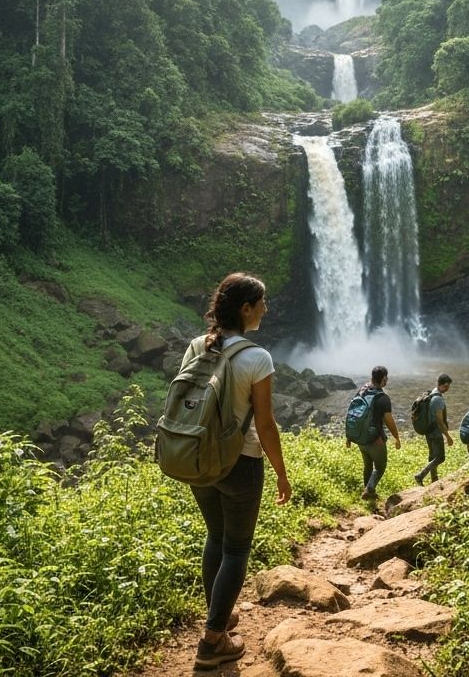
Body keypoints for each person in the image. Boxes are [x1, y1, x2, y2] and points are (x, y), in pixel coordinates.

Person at [184, 272, 292, 670]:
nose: (266, 309)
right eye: (262, 302)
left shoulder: (197, 345)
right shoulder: (257, 357)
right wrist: (281, 472)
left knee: (215, 537)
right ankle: (213, 640)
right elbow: (265, 424)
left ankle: (221, 614)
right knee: (236, 548)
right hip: (241, 463)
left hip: (200, 460)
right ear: (246, 309)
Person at [347, 364, 401, 501]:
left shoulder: (362, 390)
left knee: (367, 466)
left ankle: (368, 492)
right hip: (374, 439)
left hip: (360, 437)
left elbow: (351, 413)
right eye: (386, 378)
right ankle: (369, 489)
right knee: (380, 467)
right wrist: (396, 437)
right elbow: (389, 420)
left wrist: (349, 436)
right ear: (383, 379)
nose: (387, 380)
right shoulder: (382, 398)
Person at [413, 373, 453, 485]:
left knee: (432, 456)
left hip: (428, 430)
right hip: (435, 432)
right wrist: (448, 436)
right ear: (440, 385)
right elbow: (439, 420)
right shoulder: (437, 399)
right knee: (440, 457)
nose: (447, 389)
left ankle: (434, 479)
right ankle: (420, 475)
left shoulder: (431, 394)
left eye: (448, 386)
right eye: (446, 386)